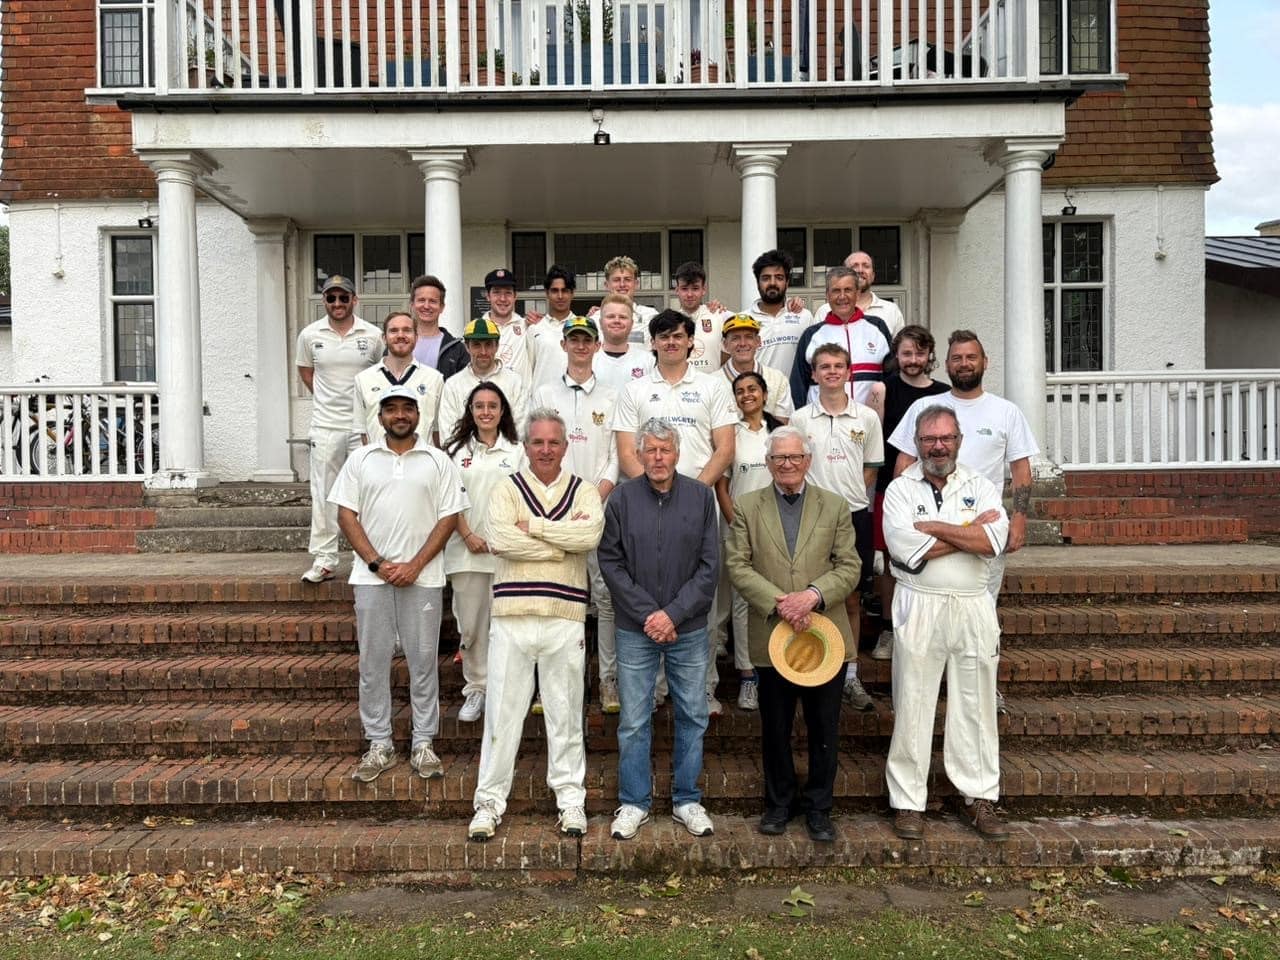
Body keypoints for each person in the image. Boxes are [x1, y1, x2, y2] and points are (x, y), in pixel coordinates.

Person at [467, 410, 605, 842]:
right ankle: (488, 804)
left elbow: (588, 539)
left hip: (565, 618)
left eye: (554, 442)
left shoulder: (584, 492)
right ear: (525, 446)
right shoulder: (506, 488)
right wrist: (557, 545)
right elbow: (500, 539)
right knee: (502, 716)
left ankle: (570, 801)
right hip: (512, 618)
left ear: (566, 446)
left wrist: (536, 529)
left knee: (565, 716)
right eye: (538, 442)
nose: (546, 450)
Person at [725, 425, 860, 841]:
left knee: (824, 728)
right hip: (772, 634)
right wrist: (783, 602)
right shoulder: (746, 507)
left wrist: (813, 597)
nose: (787, 464)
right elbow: (737, 565)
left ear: (808, 461)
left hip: (825, 635)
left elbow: (850, 565)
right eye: (779, 458)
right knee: (776, 727)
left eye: (795, 457)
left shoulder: (835, 506)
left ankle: (819, 809)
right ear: (767, 464)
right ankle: (779, 804)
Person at [881, 405, 1010, 841]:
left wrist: (935, 527)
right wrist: (967, 532)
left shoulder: (981, 485)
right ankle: (907, 802)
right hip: (920, 604)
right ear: (916, 443)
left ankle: (980, 798)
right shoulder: (900, 489)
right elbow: (902, 547)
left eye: (947, 438)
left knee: (975, 705)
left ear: (959, 440)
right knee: (913, 702)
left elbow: (996, 541)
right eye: (929, 439)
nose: (938, 446)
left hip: (973, 605)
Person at [329, 386, 467, 783]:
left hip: (422, 579)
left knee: (423, 662)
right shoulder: (360, 459)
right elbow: (346, 515)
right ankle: (380, 743)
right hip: (371, 580)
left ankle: (423, 742)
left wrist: (415, 565)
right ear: (381, 416)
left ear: (419, 416)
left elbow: (449, 518)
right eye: (392, 409)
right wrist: (377, 563)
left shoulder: (438, 461)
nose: (400, 415)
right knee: (372, 663)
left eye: (408, 408)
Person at [597, 418, 720, 841]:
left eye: (665, 450)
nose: (658, 458)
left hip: (688, 628)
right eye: (649, 450)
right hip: (636, 628)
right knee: (633, 719)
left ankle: (687, 799)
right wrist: (651, 614)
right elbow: (610, 562)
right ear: (638, 455)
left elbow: (710, 567)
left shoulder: (702, 498)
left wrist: (674, 615)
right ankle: (634, 802)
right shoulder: (622, 499)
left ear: (678, 453)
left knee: (693, 714)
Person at [612, 308, 736, 712]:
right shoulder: (634, 390)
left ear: (690, 342)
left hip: (698, 504)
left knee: (704, 593)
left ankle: (703, 685)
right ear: (653, 342)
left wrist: (691, 496)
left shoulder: (713, 386)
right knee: (651, 587)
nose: (670, 342)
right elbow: (628, 453)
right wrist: (653, 490)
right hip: (644, 506)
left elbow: (725, 448)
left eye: (677, 336)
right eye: (662, 336)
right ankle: (656, 688)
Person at [889, 329, 1036, 589]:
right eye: (957, 358)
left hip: (982, 524)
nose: (964, 364)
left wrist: (1019, 519)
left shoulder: (1006, 412)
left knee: (980, 608)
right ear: (946, 365)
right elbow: (903, 462)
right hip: (928, 523)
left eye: (971, 357)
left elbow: (1021, 470)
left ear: (985, 361)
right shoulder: (924, 407)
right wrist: (902, 511)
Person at [531, 315, 621, 712]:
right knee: (553, 595)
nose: (581, 346)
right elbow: (536, 450)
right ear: (564, 345)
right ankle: (549, 684)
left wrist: (590, 500)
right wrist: (558, 500)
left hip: (598, 509)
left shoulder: (612, 394)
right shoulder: (545, 392)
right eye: (574, 340)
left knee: (604, 597)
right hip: (554, 507)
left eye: (587, 340)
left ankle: (608, 680)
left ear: (597, 346)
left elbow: (617, 457)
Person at [791, 343, 884, 712]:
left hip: (853, 517)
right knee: (808, 594)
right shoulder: (799, 419)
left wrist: (845, 504)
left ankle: (849, 674)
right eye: (824, 366)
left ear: (849, 372)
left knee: (850, 597)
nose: (831, 371)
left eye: (839, 365)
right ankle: (807, 666)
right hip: (809, 518)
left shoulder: (867, 418)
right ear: (813, 374)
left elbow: (871, 468)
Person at [442, 382, 525, 723]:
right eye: (480, 406)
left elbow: (526, 498)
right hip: (467, 552)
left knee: (507, 626)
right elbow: (447, 499)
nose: (486, 411)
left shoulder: (518, 450)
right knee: (473, 627)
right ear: (471, 411)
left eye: (493, 405)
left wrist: (505, 538)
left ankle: (506, 691)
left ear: (503, 410)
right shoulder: (454, 451)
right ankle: (477, 688)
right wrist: (467, 534)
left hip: (507, 555)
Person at [295, 274, 384, 583]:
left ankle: (370, 555)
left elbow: (380, 375)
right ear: (325, 301)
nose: (337, 303)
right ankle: (325, 558)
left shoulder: (372, 335)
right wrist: (328, 399)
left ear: (353, 300)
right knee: (324, 492)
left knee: (369, 490)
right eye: (331, 298)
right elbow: (307, 373)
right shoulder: (309, 335)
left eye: (343, 298)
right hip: (326, 425)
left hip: (362, 426)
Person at [870, 326, 950, 661]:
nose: (913, 360)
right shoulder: (882, 390)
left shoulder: (945, 394)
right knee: (892, 561)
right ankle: (889, 628)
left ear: (930, 355)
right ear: (896, 355)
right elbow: (874, 442)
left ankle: (934, 629)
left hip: (937, 489)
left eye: (919, 353)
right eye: (906, 353)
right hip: (892, 485)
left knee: (937, 555)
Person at [713, 371, 783, 711]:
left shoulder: (781, 432)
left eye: (752, 389)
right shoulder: (731, 434)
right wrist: (738, 526)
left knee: (775, 600)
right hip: (739, 530)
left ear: (765, 393)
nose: (746, 395)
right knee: (741, 605)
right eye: (739, 391)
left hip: (779, 531)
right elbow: (722, 486)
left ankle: (778, 669)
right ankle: (747, 677)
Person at [788, 265, 891, 417]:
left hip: (869, 423)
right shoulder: (812, 334)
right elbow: (798, 386)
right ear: (827, 295)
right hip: (821, 424)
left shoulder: (877, 327)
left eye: (848, 290)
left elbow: (892, 378)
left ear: (857, 293)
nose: (842, 296)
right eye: (836, 291)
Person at [352, 311, 444, 445]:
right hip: (379, 462)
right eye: (394, 331)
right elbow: (363, 433)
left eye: (407, 330)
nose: (400, 335)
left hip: (422, 462)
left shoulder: (434, 379)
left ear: (416, 337)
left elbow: (437, 431)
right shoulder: (363, 379)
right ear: (384, 338)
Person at [436, 317, 529, 442]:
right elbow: (448, 433)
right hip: (465, 459)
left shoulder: (515, 382)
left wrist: (496, 452)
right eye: (477, 345)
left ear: (497, 346)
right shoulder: (453, 385)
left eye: (488, 345)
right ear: (467, 347)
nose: (483, 351)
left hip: (506, 458)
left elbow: (521, 428)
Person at [745, 248, 812, 375]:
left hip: (795, 394)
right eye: (766, 278)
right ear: (757, 283)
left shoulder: (804, 316)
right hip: (759, 393)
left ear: (787, 282)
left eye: (779, 278)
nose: (772, 283)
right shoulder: (744, 319)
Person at [808, 251, 906, 338]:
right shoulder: (825, 311)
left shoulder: (891, 310)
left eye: (866, 266)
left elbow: (898, 353)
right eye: (854, 266)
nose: (860, 270)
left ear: (873, 276)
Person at [719, 313, 794, 423]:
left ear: (758, 341)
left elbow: (782, 427)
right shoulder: (712, 383)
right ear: (725, 344)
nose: (743, 343)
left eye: (749, 337)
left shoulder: (778, 379)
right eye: (735, 338)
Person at [523, 265, 576, 390]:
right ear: (547, 293)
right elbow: (528, 372)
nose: (560, 296)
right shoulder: (534, 329)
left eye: (565, 290)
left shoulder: (582, 329)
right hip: (541, 404)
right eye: (554, 290)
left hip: (574, 400)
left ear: (572, 293)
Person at [672, 261, 727, 375]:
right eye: (684, 288)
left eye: (695, 288)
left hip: (712, 387)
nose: (690, 294)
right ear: (677, 290)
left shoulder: (719, 315)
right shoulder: (671, 321)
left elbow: (729, 352)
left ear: (704, 289)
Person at [591, 293, 654, 392]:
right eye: (610, 316)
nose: (617, 321)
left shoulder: (649, 361)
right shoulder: (588, 361)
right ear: (600, 322)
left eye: (623, 317)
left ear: (632, 323)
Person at [479, 268, 533, 382]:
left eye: (508, 292)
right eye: (496, 292)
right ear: (488, 296)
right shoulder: (477, 329)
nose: (502, 299)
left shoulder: (527, 326)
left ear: (515, 296)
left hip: (520, 399)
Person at [589, 256, 658, 342]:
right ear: (607, 285)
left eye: (627, 279)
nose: (622, 284)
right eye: (616, 280)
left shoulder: (651, 316)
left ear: (636, 284)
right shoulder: (595, 319)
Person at [409, 274, 466, 378]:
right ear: (412, 305)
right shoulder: (397, 343)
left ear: (442, 307)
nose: (426, 306)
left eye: (433, 301)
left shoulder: (457, 349)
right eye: (421, 300)